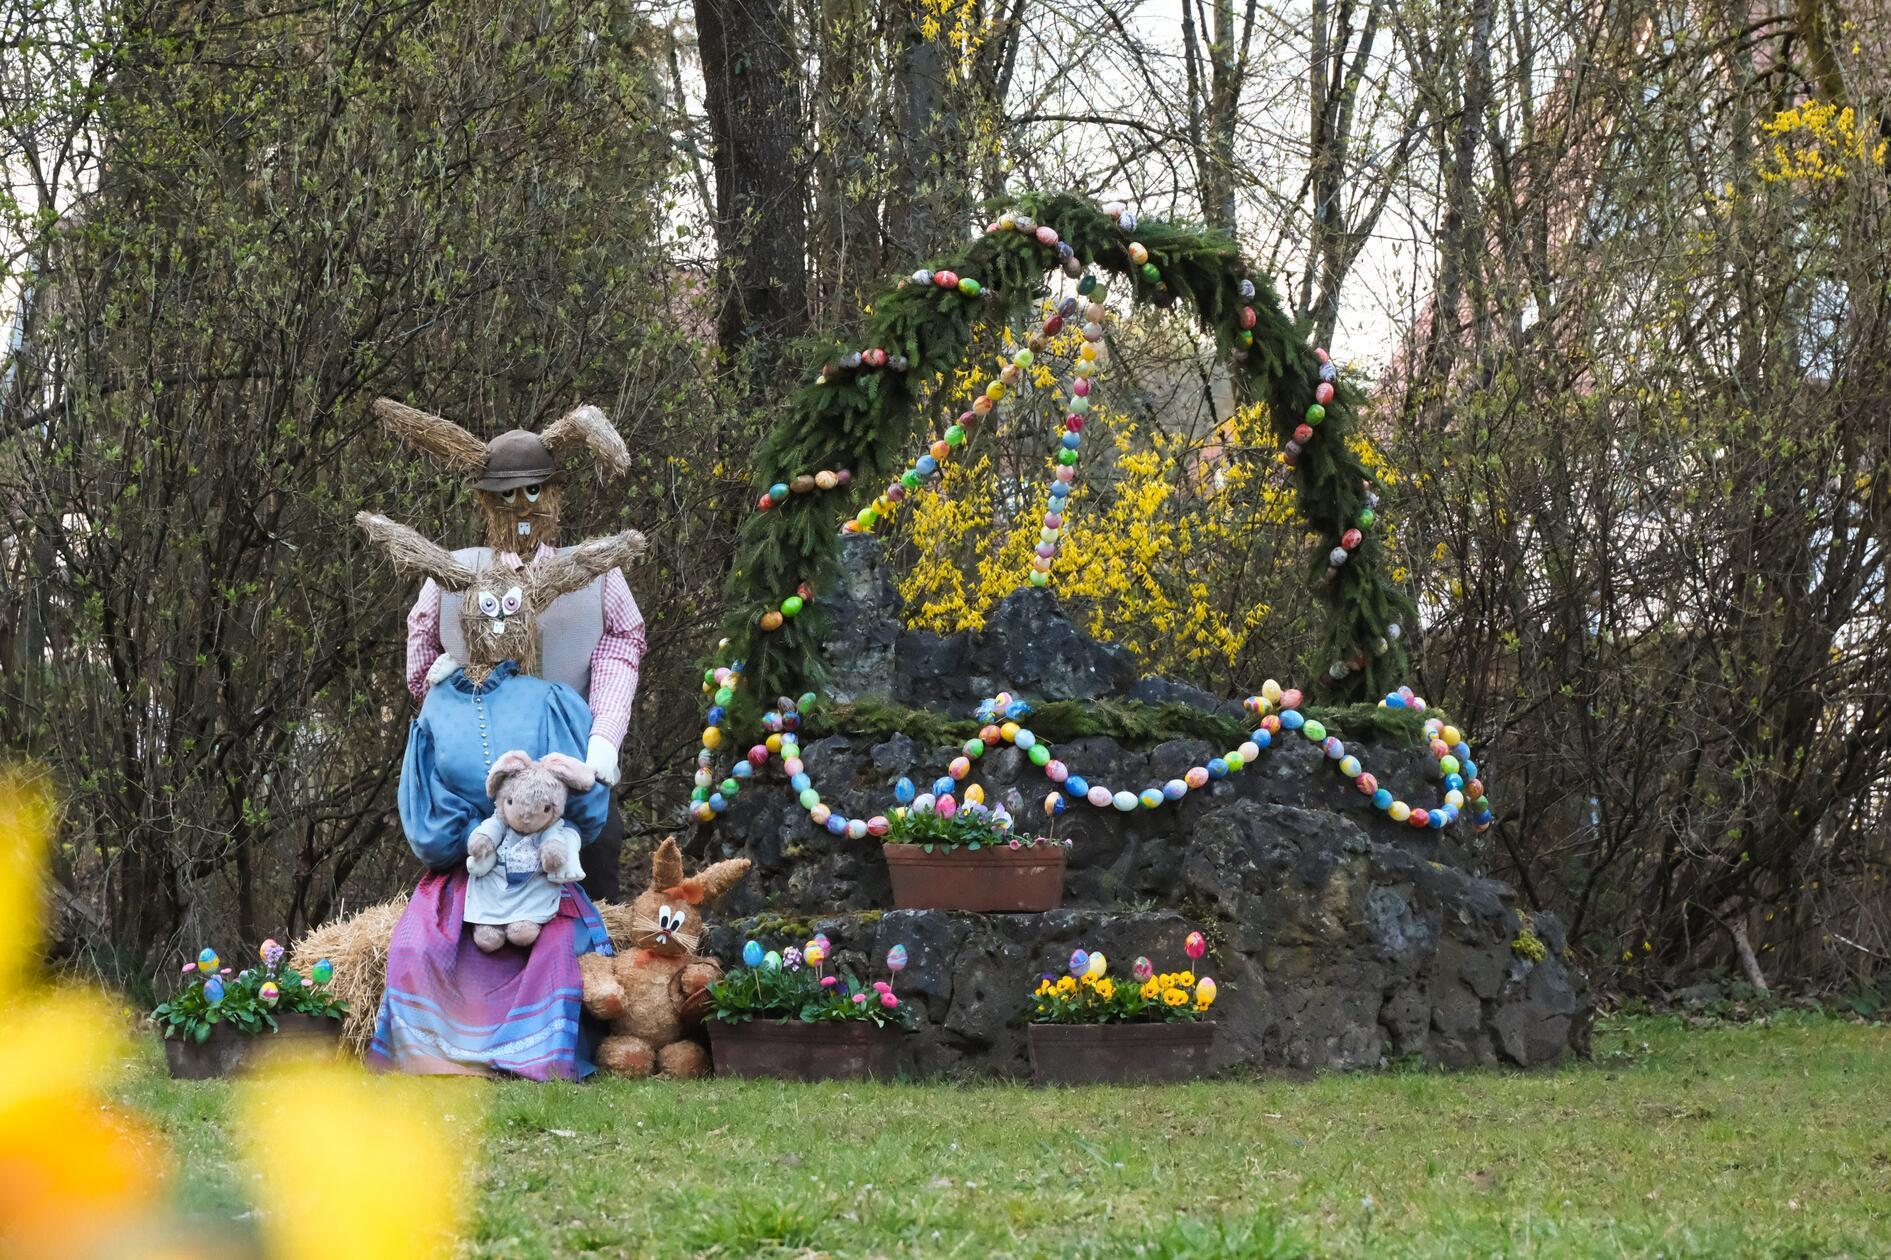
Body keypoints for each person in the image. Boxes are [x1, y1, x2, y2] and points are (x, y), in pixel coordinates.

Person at [374, 397, 644, 900]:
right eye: (505, 496)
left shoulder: (598, 575)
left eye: (534, 490)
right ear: (483, 502)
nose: (522, 507)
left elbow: (621, 649)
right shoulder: (451, 572)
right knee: (467, 910)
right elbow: (420, 665)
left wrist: (602, 742)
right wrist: (448, 684)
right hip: (475, 793)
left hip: (572, 784)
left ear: (556, 492)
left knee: (593, 886)